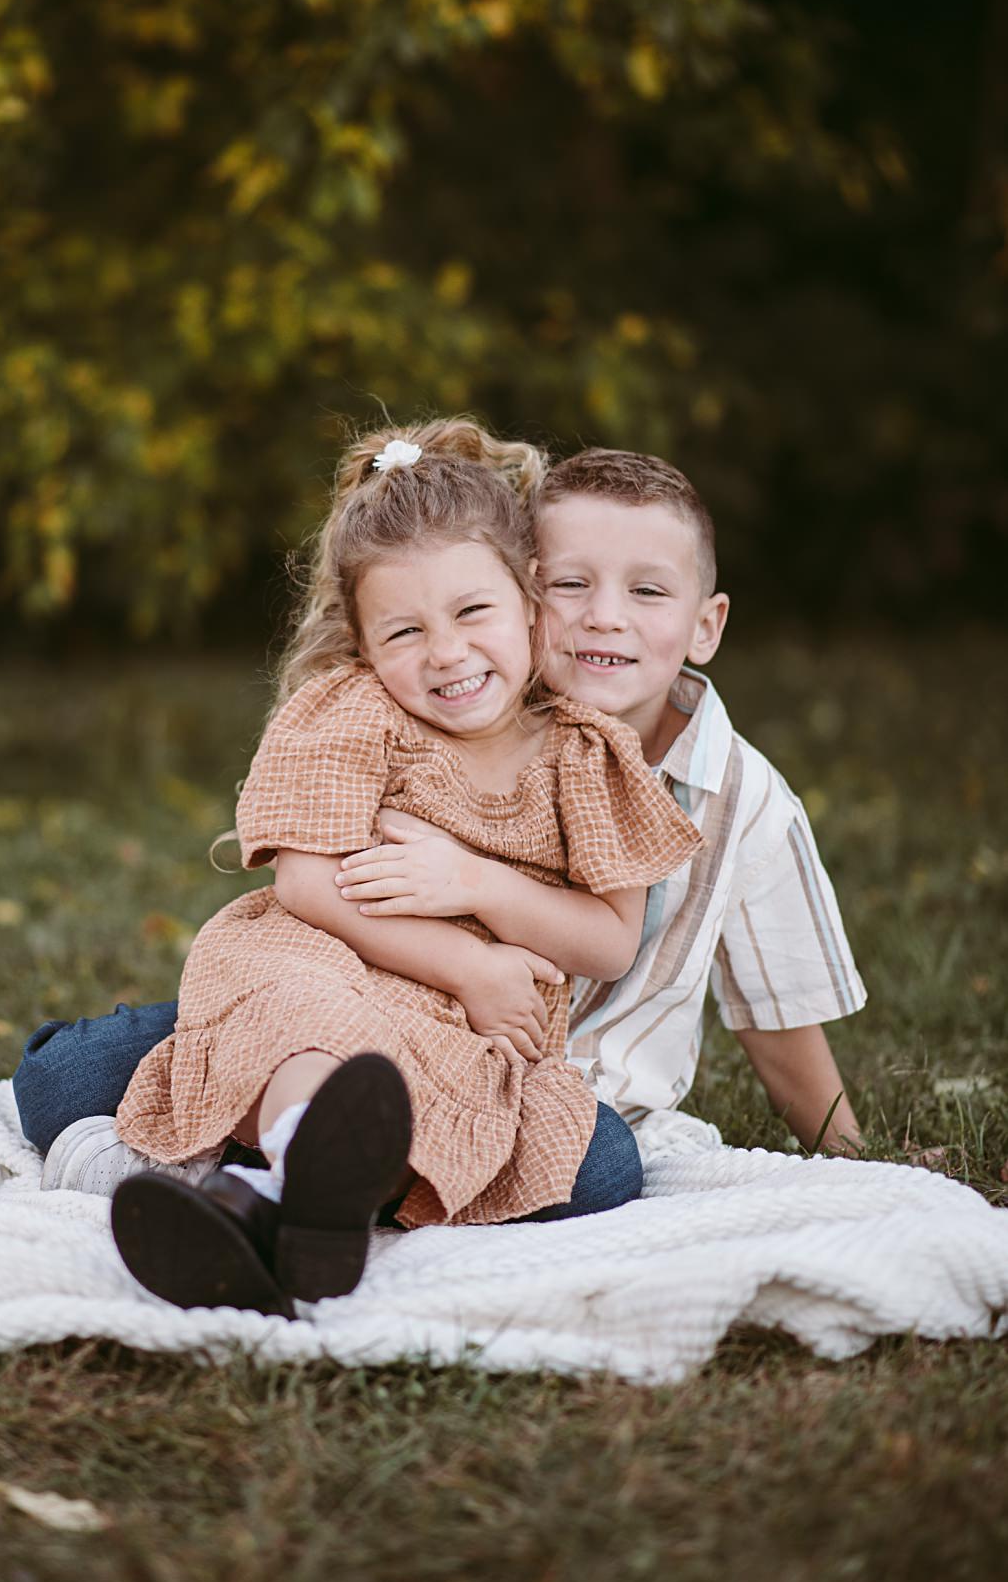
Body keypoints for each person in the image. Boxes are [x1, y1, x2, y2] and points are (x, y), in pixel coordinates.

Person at [98, 418, 702, 1316]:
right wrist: (467, 958)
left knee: (598, 1163)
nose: (447, 653)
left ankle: (267, 1201)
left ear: (532, 599)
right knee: (302, 1022)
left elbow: (611, 941)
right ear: (364, 643)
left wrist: (475, 884)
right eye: (406, 631)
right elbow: (305, 885)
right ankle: (294, 1184)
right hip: (326, 956)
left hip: (465, 1021)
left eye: (472, 612)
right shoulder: (356, 711)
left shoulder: (587, 754)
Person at [338, 447, 865, 1153]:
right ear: (520, 594)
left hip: (583, 1104)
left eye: (647, 592)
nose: (605, 616)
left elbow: (778, 1016)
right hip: (383, 1042)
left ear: (706, 626)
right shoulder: (456, 711)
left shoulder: (745, 799)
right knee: (170, 1043)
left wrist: (849, 1154)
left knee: (591, 1160)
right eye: (570, 583)